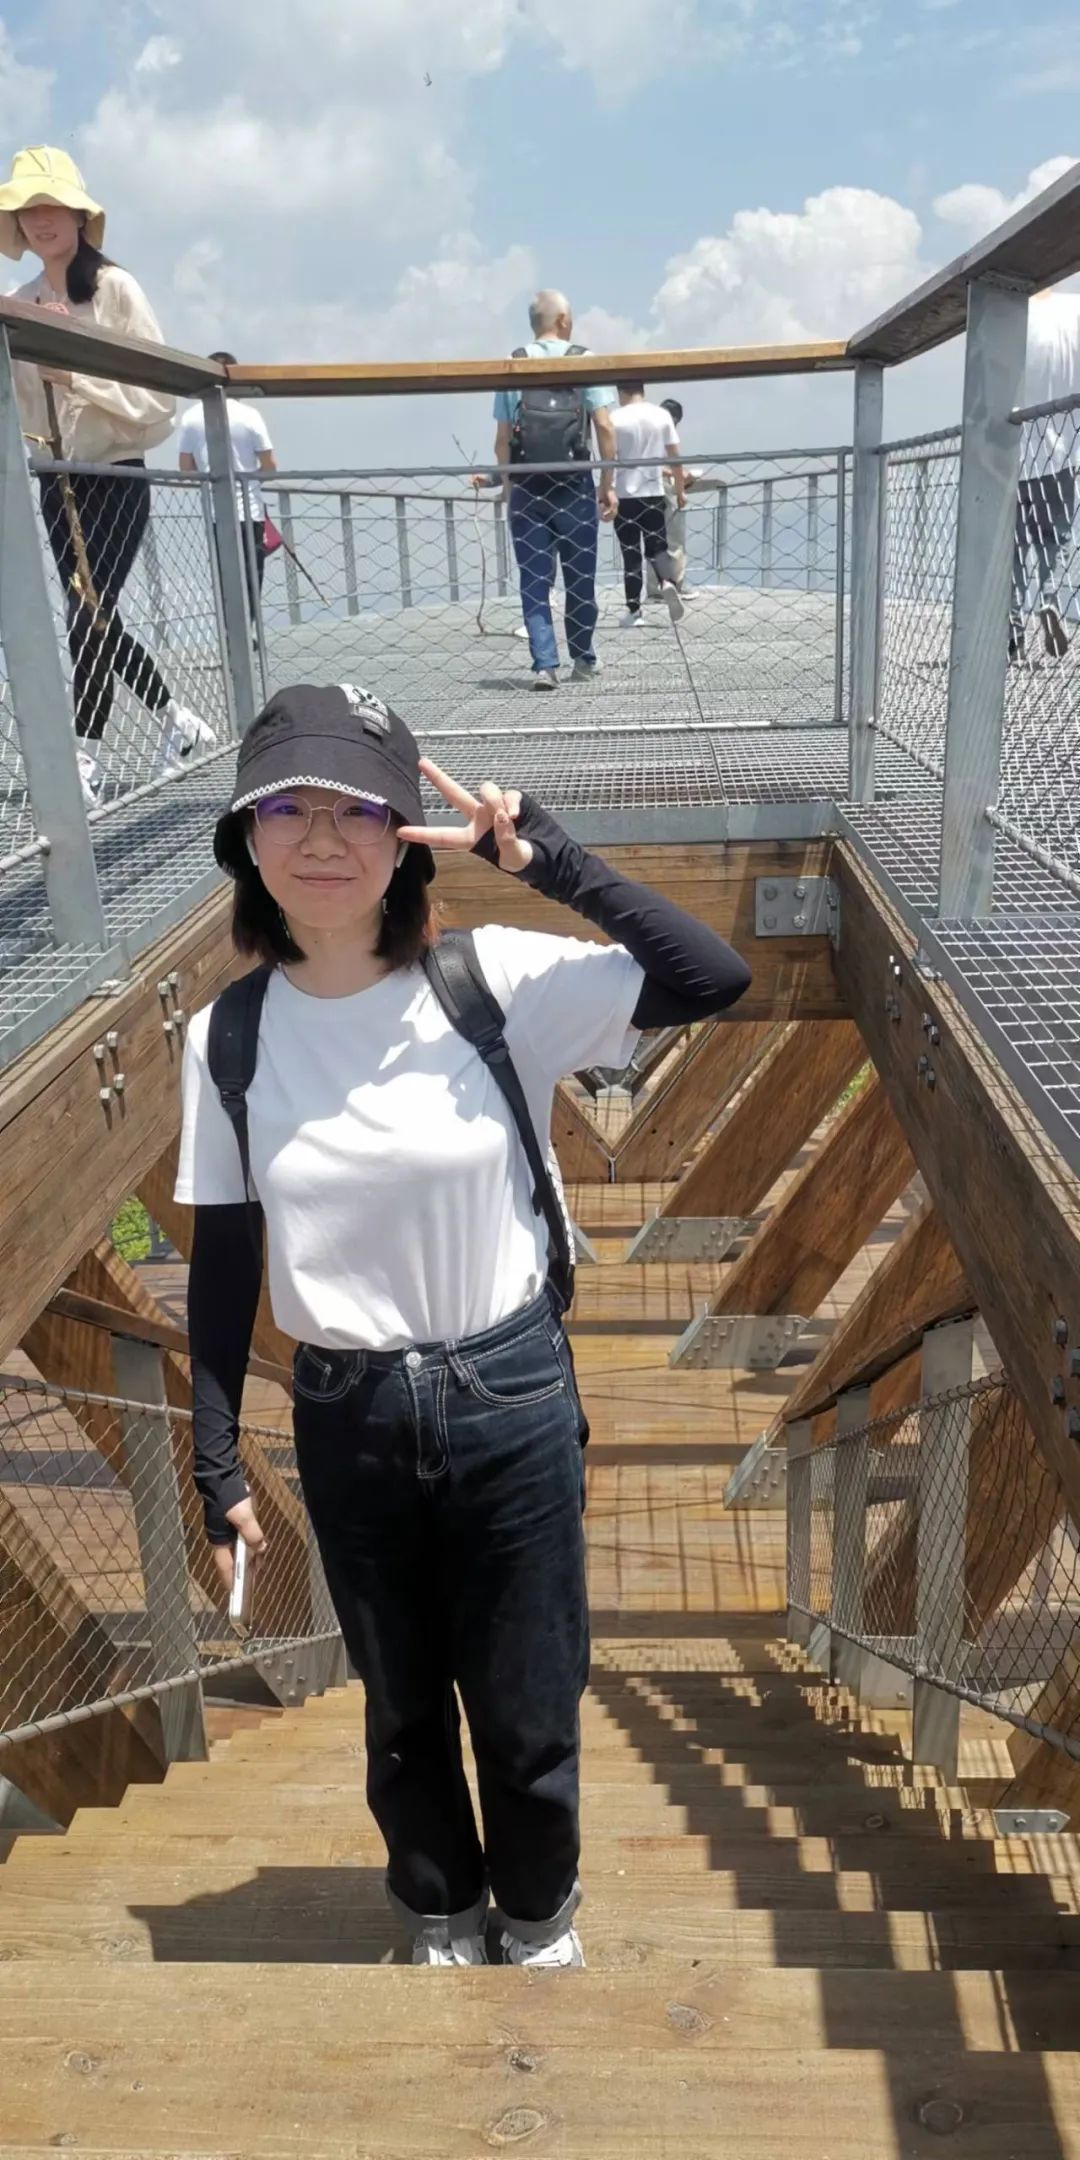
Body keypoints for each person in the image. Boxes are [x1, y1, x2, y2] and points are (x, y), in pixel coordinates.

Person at [177, 681, 751, 1969]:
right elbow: (225, 1256)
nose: (322, 839)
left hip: (510, 1395)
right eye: (287, 810)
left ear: (405, 840)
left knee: (528, 1700)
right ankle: (437, 1917)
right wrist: (217, 1460)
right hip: (348, 1413)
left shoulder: (489, 979)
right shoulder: (227, 1039)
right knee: (399, 1712)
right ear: (248, 841)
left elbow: (710, 976)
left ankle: (539, 1922)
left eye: (356, 810)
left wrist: (549, 857)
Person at [0, 146, 216, 806]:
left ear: (78, 215)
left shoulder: (115, 289)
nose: (41, 220)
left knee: (86, 612)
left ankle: (84, 757)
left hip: (116, 474)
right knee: (93, 615)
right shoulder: (21, 303)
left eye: (52, 207)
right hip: (57, 478)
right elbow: (23, 407)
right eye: (28, 210)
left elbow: (155, 399)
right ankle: (177, 721)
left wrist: (77, 375)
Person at [492, 291, 618, 689]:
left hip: (528, 485)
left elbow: (501, 441)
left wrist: (509, 488)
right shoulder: (584, 360)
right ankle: (583, 656)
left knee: (534, 579)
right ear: (563, 319)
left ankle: (545, 665)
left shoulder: (514, 362)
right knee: (580, 576)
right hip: (574, 483)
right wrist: (607, 485)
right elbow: (604, 427)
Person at [178, 354, 277, 625]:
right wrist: (252, 479)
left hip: (215, 511)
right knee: (252, 576)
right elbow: (270, 466)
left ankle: (229, 632)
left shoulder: (191, 417)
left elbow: (186, 468)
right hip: (250, 509)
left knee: (225, 577)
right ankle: (249, 630)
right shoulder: (250, 415)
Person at [1010, 290, 1080, 662]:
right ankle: (1051, 598)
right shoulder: (1075, 308)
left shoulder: (1011, 312)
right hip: (1063, 449)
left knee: (1013, 549)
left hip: (1011, 451)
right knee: (1055, 538)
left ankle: (1012, 632)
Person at [610, 384, 686, 628]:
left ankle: (634, 611)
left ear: (621, 392)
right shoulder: (661, 415)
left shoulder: (614, 418)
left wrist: (606, 491)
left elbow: (609, 460)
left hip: (624, 495)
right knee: (657, 548)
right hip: (653, 492)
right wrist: (680, 490)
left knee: (631, 554)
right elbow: (675, 457)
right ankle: (667, 583)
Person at [645, 398, 698, 601]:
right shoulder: (665, 433)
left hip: (646, 488)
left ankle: (655, 589)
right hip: (665, 487)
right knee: (675, 540)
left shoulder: (648, 432)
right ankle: (676, 585)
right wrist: (680, 480)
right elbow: (664, 464)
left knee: (654, 540)